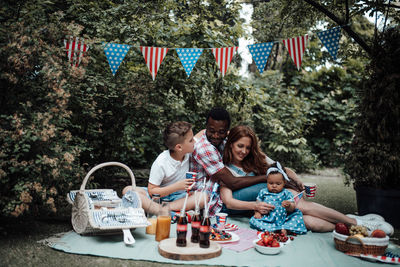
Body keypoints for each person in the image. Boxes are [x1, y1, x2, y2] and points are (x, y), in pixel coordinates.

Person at [220, 125, 394, 235]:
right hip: (268, 213)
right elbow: (228, 201)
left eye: (248, 147)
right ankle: (350, 226)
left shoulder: (256, 159)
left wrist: (298, 180)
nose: (244, 151)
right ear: (231, 144)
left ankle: (359, 223)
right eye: (240, 146)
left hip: (284, 200)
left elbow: (283, 170)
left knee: (301, 205)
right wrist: (255, 206)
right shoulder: (225, 169)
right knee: (310, 222)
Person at [190, 107, 281, 216]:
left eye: (221, 132)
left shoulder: (224, 142)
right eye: (212, 131)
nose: (216, 136)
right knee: (271, 185)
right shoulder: (205, 149)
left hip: (226, 192)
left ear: (227, 131)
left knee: (274, 186)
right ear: (207, 128)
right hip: (214, 201)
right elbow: (232, 182)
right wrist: (267, 177)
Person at [123, 121, 207, 212]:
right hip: (158, 196)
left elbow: (204, 132)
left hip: (179, 198)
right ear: (179, 147)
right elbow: (152, 191)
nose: (195, 141)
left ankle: (162, 209)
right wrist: (177, 186)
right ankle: (162, 210)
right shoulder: (161, 162)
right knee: (128, 190)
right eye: (191, 140)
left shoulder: (187, 149)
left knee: (203, 197)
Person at [249, 162, 307, 235]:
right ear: (267, 182)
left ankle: (285, 229)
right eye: (271, 183)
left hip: (284, 218)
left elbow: (292, 207)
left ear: (284, 183)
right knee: (254, 221)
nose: (274, 186)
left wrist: (289, 205)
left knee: (296, 217)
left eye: (278, 184)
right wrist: (257, 213)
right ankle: (274, 229)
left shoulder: (286, 193)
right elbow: (257, 204)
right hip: (268, 218)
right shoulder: (263, 192)